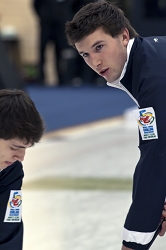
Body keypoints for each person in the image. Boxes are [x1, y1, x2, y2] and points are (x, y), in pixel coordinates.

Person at [65, 1, 166, 249]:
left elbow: (155, 158)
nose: (95, 62)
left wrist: (133, 241)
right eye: (85, 54)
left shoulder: (152, 77)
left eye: (99, 47)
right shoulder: (148, 58)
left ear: (123, 36)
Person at [0, 89, 45, 249]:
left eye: (26, 148)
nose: (21, 157)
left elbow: (8, 226)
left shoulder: (11, 170)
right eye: (14, 147)